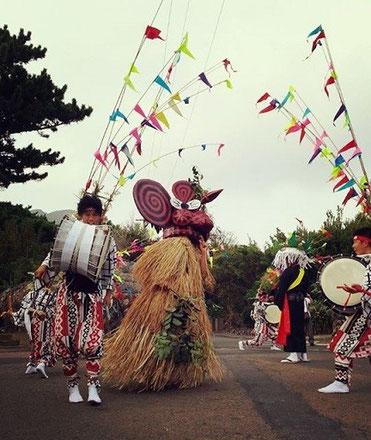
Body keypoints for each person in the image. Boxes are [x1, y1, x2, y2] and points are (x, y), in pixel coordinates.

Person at [103, 178, 224, 391]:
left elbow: (204, 274)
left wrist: (202, 273)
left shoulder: (195, 248)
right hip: (164, 297)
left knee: (187, 329)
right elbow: (146, 271)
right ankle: (153, 369)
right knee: (159, 327)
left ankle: (174, 371)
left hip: (188, 296)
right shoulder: (170, 248)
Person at [35, 195, 116, 404]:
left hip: (92, 296)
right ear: (80, 216)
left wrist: (108, 291)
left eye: (94, 215)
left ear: (101, 217)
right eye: (86, 214)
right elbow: (56, 253)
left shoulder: (107, 238)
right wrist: (44, 267)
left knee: (92, 342)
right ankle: (73, 389)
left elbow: (109, 267)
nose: (90, 219)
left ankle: (92, 388)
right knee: (65, 340)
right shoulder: (71, 231)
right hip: (68, 295)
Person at [318, 227, 371, 393]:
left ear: (365, 242)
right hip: (365, 310)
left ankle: (341, 383)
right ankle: (340, 382)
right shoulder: (365, 263)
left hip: (367, 313)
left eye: (355, 241)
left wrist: (362, 291)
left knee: (342, 343)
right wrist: (359, 290)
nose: (353, 245)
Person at [13, 278, 56, 378]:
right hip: (45, 323)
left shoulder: (30, 294)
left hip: (31, 323)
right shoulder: (53, 295)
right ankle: (42, 363)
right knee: (46, 344)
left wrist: (15, 315)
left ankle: (31, 365)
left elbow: (23, 310)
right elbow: (54, 311)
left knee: (34, 343)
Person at [273, 247, 311, 363]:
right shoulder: (304, 272)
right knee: (300, 328)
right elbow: (305, 290)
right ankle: (303, 355)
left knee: (290, 327)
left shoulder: (288, 272)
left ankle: (293, 354)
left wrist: (277, 302)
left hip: (290, 303)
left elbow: (281, 289)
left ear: (291, 259)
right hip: (300, 302)